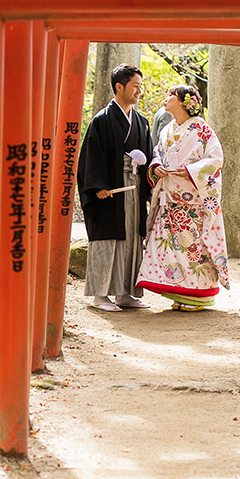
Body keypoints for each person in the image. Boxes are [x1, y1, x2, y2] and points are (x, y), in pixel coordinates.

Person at [136, 85, 230, 310]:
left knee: (194, 248)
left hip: (193, 198)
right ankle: (180, 293)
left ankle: (200, 296)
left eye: (170, 96)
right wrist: (156, 165)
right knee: (173, 249)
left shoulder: (202, 129)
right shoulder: (167, 129)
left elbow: (215, 159)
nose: (166, 99)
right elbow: (158, 151)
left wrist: (190, 171)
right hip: (170, 197)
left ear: (183, 102)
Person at [77, 64, 153, 311]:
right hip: (110, 190)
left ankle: (125, 292)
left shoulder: (141, 122)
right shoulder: (102, 120)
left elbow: (150, 157)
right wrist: (97, 184)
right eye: (135, 86)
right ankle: (100, 295)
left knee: (132, 237)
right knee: (109, 239)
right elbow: (92, 156)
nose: (139, 91)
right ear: (119, 87)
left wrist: (150, 174)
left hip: (135, 186)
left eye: (141, 86)